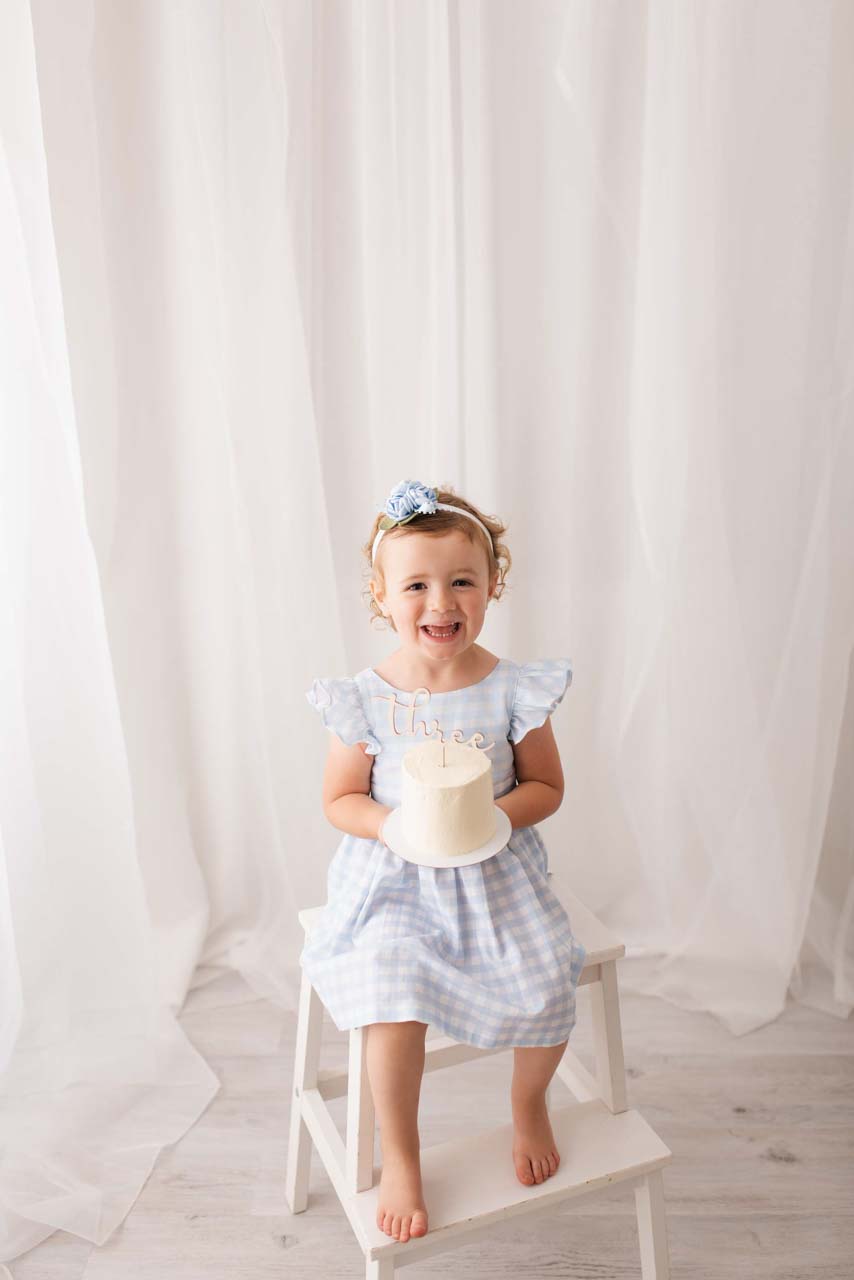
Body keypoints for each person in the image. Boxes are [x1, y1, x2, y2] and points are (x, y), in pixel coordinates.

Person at [301, 478, 587, 1245]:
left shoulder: (512, 689)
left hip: (492, 869)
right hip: (395, 875)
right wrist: (390, 826)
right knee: (393, 993)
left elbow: (547, 785)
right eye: (417, 584)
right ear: (381, 596)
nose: (441, 601)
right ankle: (401, 1152)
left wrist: (492, 814)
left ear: (493, 586)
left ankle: (529, 1104)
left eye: (463, 580)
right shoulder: (365, 699)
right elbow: (339, 800)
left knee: (549, 974)